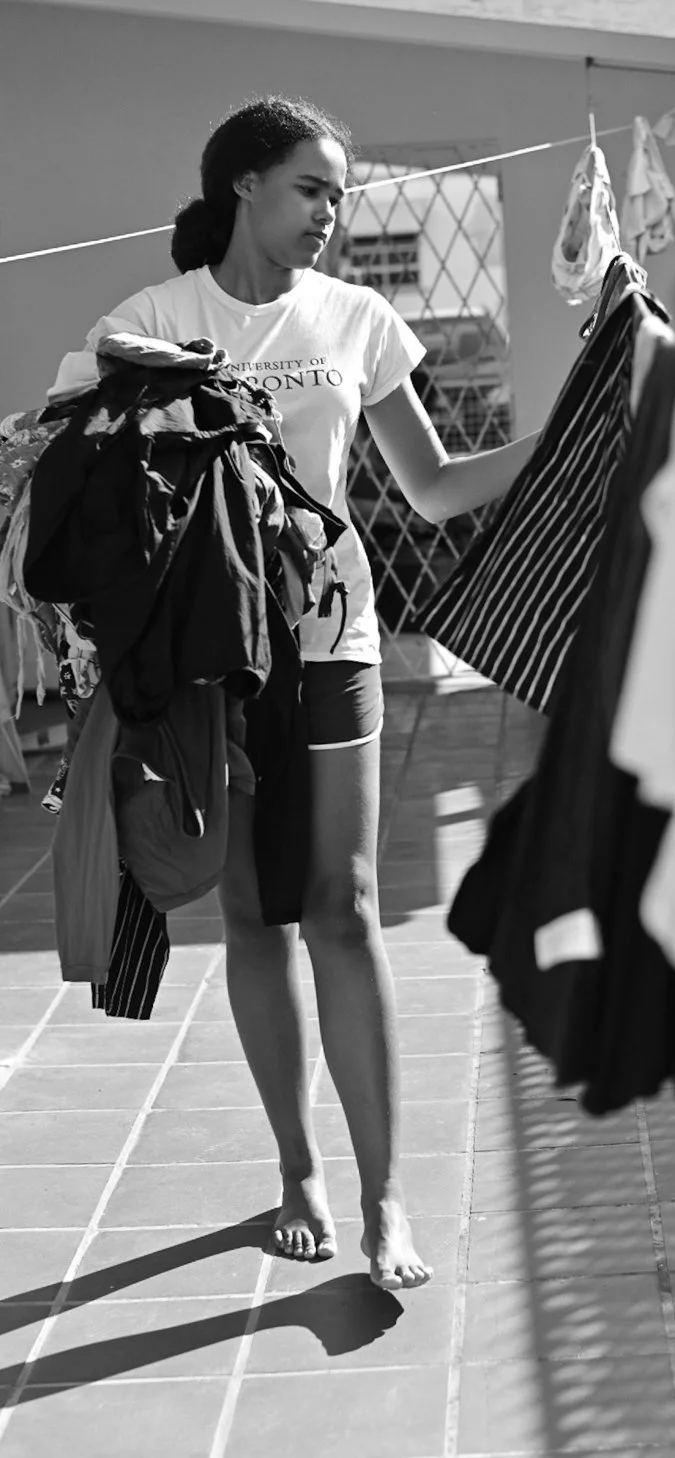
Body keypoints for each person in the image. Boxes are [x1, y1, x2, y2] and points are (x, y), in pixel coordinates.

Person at [50, 96, 539, 1290]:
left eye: (341, 191)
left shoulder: (357, 318)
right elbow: (74, 469)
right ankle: (297, 1170)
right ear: (245, 189)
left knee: (349, 906)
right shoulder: (152, 319)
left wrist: (584, 424)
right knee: (257, 916)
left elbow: (427, 490)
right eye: (313, 188)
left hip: (333, 639)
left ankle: (384, 1197)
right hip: (214, 664)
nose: (332, 212)